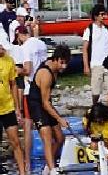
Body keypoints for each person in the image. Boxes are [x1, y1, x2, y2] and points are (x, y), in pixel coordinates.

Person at [28, 45, 71, 175]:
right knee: (47, 136)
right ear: (56, 59)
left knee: (59, 137)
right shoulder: (46, 74)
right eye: (62, 63)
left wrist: (56, 117)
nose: (64, 66)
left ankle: (47, 167)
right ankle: (52, 169)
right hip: (36, 105)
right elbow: (44, 103)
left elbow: (47, 100)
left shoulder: (55, 71)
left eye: (66, 63)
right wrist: (59, 118)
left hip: (46, 102)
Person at [15, 24, 48, 169]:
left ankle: (27, 162)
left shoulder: (25, 47)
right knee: (44, 126)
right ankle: (49, 161)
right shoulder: (41, 44)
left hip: (30, 91)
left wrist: (16, 70)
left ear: (19, 36)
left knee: (28, 125)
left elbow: (27, 70)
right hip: (44, 88)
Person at [0, 39, 26, 175]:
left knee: (15, 141)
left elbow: (13, 84)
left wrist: (17, 108)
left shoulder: (8, 60)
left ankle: (22, 172)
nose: (2, 49)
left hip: (7, 107)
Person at [82, 4, 108, 106]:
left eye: (104, 14)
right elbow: (85, 49)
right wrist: (86, 66)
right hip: (96, 64)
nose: (103, 16)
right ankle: (94, 106)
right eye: (101, 14)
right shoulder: (89, 30)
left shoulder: (107, 29)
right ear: (96, 16)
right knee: (96, 92)